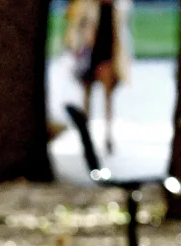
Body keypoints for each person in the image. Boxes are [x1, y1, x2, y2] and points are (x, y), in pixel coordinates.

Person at [64, 0, 133, 156]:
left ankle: (108, 136)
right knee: (86, 100)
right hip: (89, 56)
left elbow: (120, 35)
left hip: (106, 57)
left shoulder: (116, 9)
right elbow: (74, 26)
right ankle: (86, 138)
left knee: (108, 98)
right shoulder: (86, 6)